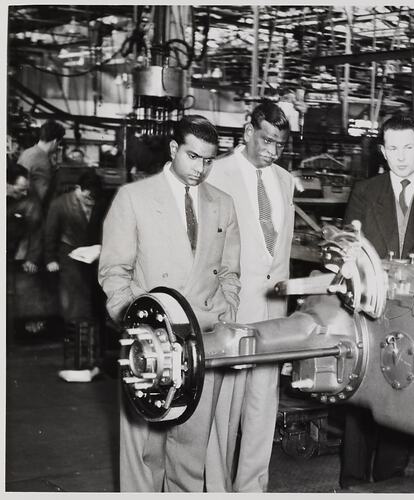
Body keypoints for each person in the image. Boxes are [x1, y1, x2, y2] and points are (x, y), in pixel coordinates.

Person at [98, 115, 241, 492]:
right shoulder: (134, 198)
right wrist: (133, 322)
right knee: (144, 453)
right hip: (149, 344)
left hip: (201, 342)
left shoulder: (223, 204)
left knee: (190, 453)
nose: (200, 168)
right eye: (193, 157)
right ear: (174, 149)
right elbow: (115, 270)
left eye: (209, 160)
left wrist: (226, 311)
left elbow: (230, 272)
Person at [341, 115, 414, 488]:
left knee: (405, 394)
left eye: (408, 147)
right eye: (393, 148)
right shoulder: (364, 191)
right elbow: (349, 254)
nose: (402, 157)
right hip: (371, 312)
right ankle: (352, 483)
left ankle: (390, 484)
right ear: (382, 151)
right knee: (361, 398)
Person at [205, 99, 294, 492]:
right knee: (224, 405)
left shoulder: (285, 180)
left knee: (263, 402)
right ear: (247, 130)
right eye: (267, 141)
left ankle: (252, 487)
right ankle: (217, 487)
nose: (273, 152)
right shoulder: (216, 174)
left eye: (280, 144)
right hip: (233, 307)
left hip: (273, 308)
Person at [45, 170, 107, 380]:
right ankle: (78, 363)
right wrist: (50, 258)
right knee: (76, 310)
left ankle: (93, 361)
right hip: (69, 260)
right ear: (78, 190)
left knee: (93, 310)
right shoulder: (60, 204)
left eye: (94, 198)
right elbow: (50, 233)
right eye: (88, 197)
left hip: (94, 260)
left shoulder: (101, 202)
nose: (91, 202)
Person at [17, 119, 66, 204]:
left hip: (21, 205)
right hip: (33, 209)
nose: (58, 147)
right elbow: (44, 194)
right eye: (59, 143)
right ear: (55, 142)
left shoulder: (27, 152)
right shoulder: (42, 160)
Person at [7, 161, 42, 274]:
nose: (25, 193)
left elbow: (36, 230)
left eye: (26, 188)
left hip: (16, 255)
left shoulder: (30, 199)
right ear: (6, 184)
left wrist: (32, 258)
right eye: (21, 189)